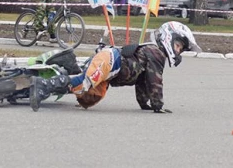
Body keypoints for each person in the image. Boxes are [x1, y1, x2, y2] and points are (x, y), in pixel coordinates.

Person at [29, 23, 201, 113]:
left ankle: (54, 78)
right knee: (84, 83)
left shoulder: (153, 54)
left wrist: (144, 104)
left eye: (180, 50)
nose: (178, 52)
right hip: (111, 60)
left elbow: (144, 82)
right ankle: (43, 85)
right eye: (178, 46)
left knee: (88, 97)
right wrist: (158, 105)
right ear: (168, 37)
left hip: (111, 73)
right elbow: (155, 81)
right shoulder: (156, 53)